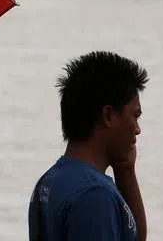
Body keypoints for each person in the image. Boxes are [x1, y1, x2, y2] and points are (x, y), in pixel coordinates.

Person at [28, 51, 148, 241]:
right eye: (135, 116)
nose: (137, 129)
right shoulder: (94, 195)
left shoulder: (49, 182)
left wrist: (125, 171)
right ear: (108, 115)